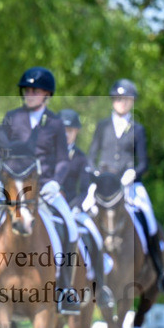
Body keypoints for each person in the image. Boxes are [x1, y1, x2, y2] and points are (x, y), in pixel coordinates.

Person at [0, 67, 83, 315]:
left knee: (70, 227)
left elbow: (62, 159)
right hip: (11, 186)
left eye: (35, 91)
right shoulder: (12, 118)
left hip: (44, 188)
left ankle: (64, 289)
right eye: (27, 90)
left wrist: (55, 182)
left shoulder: (56, 123)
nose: (29, 94)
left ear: (47, 94)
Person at [87, 78, 164, 293]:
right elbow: (91, 157)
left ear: (132, 102)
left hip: (130, 185)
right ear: (112, 101)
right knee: (82, 215)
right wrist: (96, 173)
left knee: (149, 219)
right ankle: (82, 271)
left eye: (126, 99)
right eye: (118, 99)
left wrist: (132, 174)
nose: (121, 103)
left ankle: (161, 272)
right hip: (104, 185)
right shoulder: (102, 126)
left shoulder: (138, 129)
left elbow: (144, 162)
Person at [59, 108, 115, 308]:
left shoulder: (81, 159)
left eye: (70, 130)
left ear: (76, 132)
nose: (66, 133)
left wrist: (74, 207)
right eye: (63, 129)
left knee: (96, 239)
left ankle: (101, 288)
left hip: (73, 208)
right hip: (48, 206)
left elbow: (83, 190)